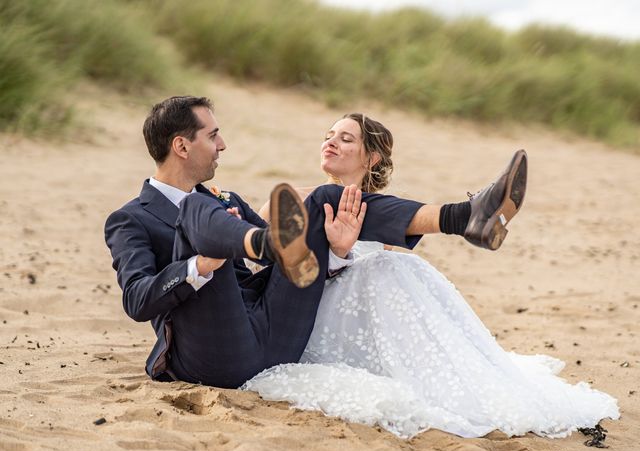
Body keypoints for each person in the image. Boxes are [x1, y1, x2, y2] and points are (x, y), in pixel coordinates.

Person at [105, 96, 523, 391]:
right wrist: (202, 264)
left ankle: (466, 219)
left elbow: (295, 253)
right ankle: (264, 242)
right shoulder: (131, 219)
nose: (222, 145)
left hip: (275, 343)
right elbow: (138, 301)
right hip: (213, 356)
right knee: (196, 212)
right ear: (181, 145)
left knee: (324, 198)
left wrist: (335, 250)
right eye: (213, 136)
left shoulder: (227, 200)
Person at [242, 113, 620, 439]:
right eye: (328, 136)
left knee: (397, 265)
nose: (331, 143)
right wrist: (336, 253)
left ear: (370, 157)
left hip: (351, 314)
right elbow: (268, 271)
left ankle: (468, 219)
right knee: (335, 203)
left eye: (345, 138)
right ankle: (464, 216)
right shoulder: (288, 197)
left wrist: (344, 253)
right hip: (301, 308)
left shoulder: (383, 216)